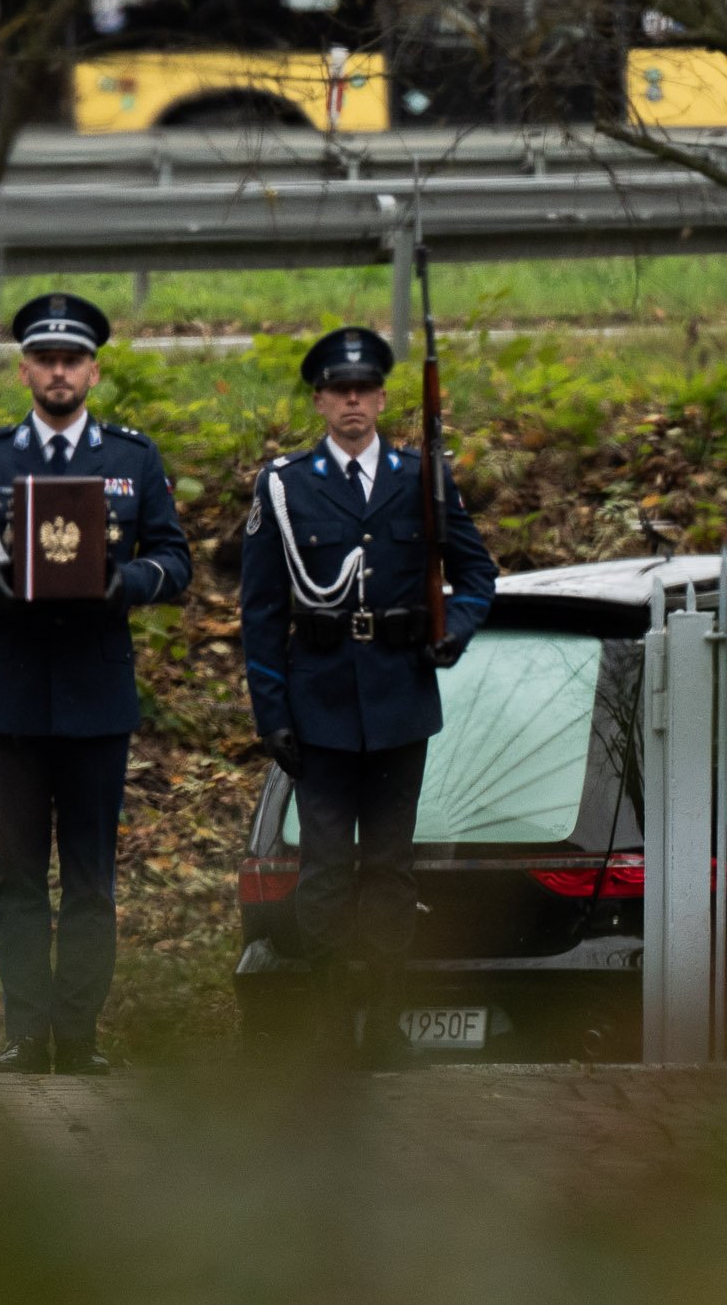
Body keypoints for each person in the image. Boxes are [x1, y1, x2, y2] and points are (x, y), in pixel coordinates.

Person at [0, 292, 191, 1076]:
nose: (60, 371)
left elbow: (176, 561)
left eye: (73, 359)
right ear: (25, 369)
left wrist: (126, 580)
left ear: (93, 371)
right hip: (11, 693)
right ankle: (23, 1031)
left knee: (91, 880)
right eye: (46, 358)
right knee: (15, 876)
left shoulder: (131, 460)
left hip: (95, 695)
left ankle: (78, 1035)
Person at [238, 325, 498, 1068]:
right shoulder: (286, 486)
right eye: (337, 390)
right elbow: (261, 611)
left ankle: (382, 1020)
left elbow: (478, 576)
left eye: (364, 390)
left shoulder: (423, 478)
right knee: (321, 870)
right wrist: (272, 711)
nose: (352, 402)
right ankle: (328, 1022)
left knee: (388, 866)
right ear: (320, 400)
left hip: (397, 696)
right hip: (318, 703)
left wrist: (455, 632)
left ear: (383, 397)